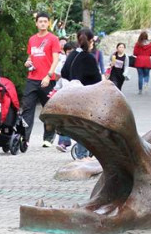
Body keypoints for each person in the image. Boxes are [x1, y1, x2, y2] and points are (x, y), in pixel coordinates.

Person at [61, 28, 102, 160]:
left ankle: (81, 153)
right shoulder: (89, 58)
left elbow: (63, 73)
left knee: (79, 126)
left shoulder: (72, 55)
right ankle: (82, 156)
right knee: (86, 127)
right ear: (91, 41)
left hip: (72, 94)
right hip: (86, 96)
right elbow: (97, 80)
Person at [22, 12, 61, 147]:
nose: (43, 23)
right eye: (40, 21)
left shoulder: (53, 39)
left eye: (45, 21)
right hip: (32, 78)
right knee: (27, 108)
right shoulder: (32, 39)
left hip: (47, 79)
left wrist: (49, 76)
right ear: (36, 23)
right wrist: (27, 62)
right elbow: (30, 57)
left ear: (48, 23)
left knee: (48, 109)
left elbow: (56, 58)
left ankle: (48, 138)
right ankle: (25, 138)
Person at [53, 41, 76, 152]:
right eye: (68, 52)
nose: (70, 54)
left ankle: (81, 146)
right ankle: (63, 142)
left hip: (77, 94)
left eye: (72, 51)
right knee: (64, 119)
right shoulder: (62, 61)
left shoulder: (79, 62)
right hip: (64, 94)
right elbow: (57, 76)